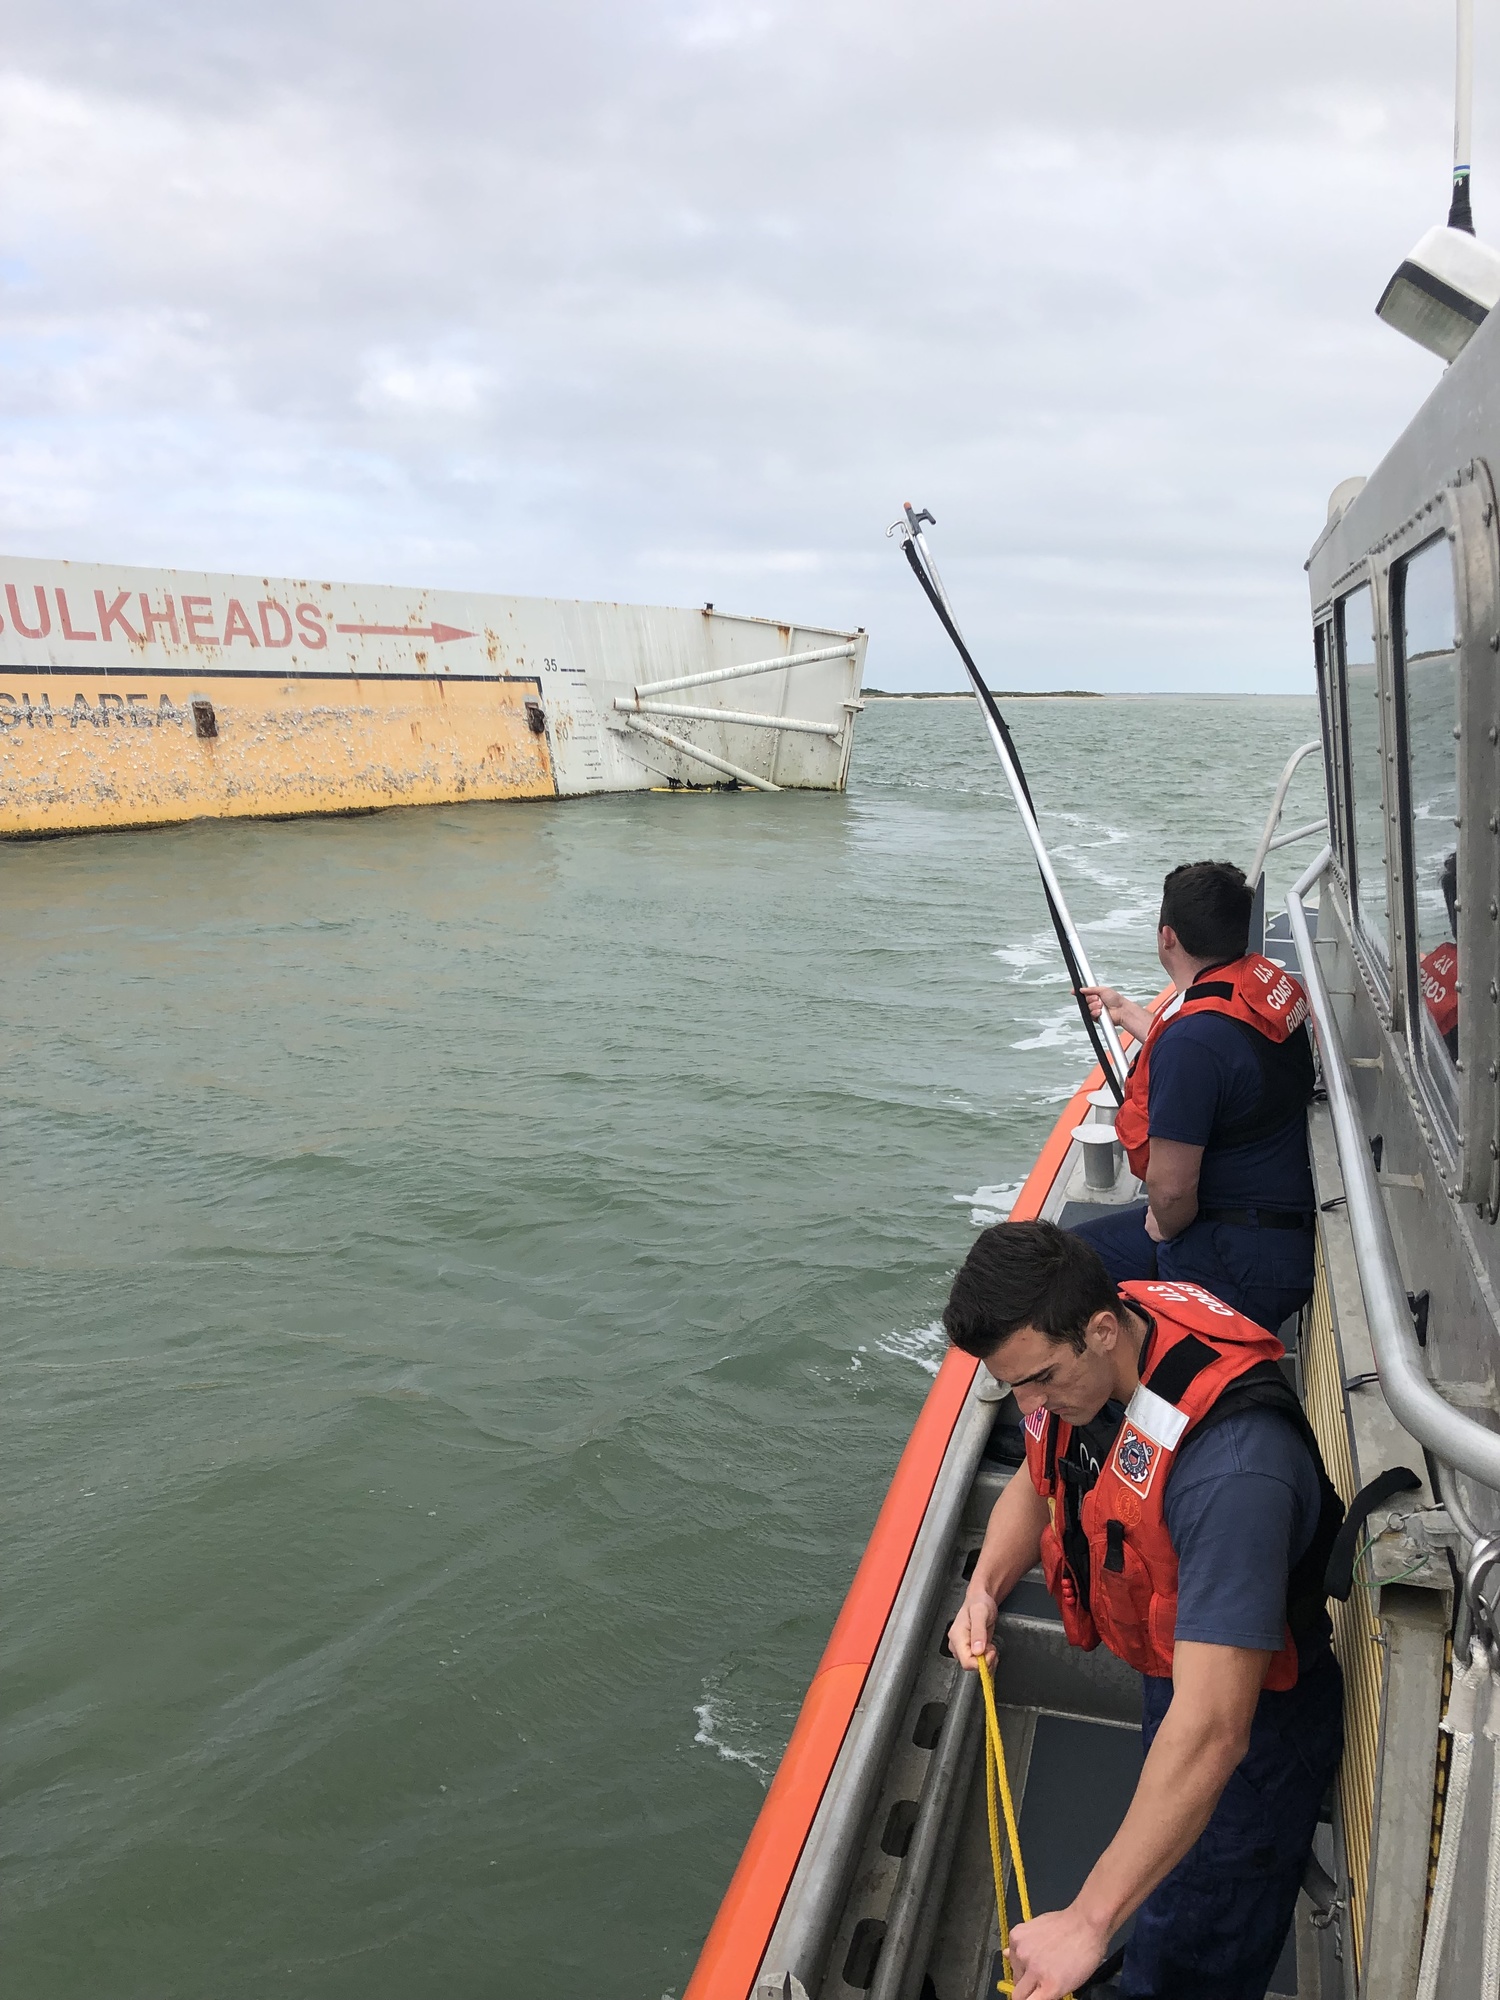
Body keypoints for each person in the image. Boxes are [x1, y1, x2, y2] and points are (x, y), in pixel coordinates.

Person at [944, 1222, 1344, 2000]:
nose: (1029, 1403)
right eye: (1012, 1386)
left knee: (1200, 1932)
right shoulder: (1092, 1361)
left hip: (1254, 1727)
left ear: (1100, 1329)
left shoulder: (1233, 1474)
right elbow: (1040, 1474)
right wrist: (986, 1587)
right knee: (1166, 1879)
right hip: (1176, 1671)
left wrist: (1088, 1922)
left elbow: (1213, 1730)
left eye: (1041, 1379)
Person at [1076, 860, 1315, 1334]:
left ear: (1167, 936)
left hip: (1233, 1258)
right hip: (1276, 1236)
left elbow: (1170, 1190)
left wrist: (1163, 1228)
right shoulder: (1253, 993)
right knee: (1070, 1255)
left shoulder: (1194, 1043)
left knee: (1064, 1274)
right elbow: (1219, 1062)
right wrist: (1125, 1012)